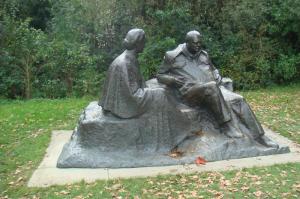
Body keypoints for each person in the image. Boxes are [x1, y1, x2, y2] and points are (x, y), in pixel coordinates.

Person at [157, 30, 278, 147]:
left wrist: (217, 74)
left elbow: (213, 69)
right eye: (195, 43)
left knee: (239, 100)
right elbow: (160, 75)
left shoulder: (204, 55)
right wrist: (172, 80)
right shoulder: (172, 56)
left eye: (200, 42)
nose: (198, 45)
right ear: (187, 42)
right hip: (190, 94)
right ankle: (227, 126)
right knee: (211, 87)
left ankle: (260, 137)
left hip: (214, 90)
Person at [99, 28, 191, 151]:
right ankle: (179, 130)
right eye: (144, 41)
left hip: (129, 98)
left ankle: (179, 125)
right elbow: (133, 94)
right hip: (128, 104)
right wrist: (154, 93)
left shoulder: (129, 58)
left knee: (158, 87)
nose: (145, 44)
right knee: (161, 94)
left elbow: (137, 84)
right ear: (137, 43)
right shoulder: (124, 63)